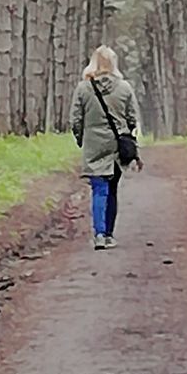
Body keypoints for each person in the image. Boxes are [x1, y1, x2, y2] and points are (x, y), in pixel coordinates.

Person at [70, 45, 139, 251]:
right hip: (117, 145)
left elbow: (75, 120)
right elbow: (133, 118)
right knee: (112, 190)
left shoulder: (83, 88)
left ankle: (99, 234)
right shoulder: (124, 88)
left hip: (93, 144)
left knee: (99, 189)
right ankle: (109, 234)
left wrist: (82, 139)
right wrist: (129, 137)